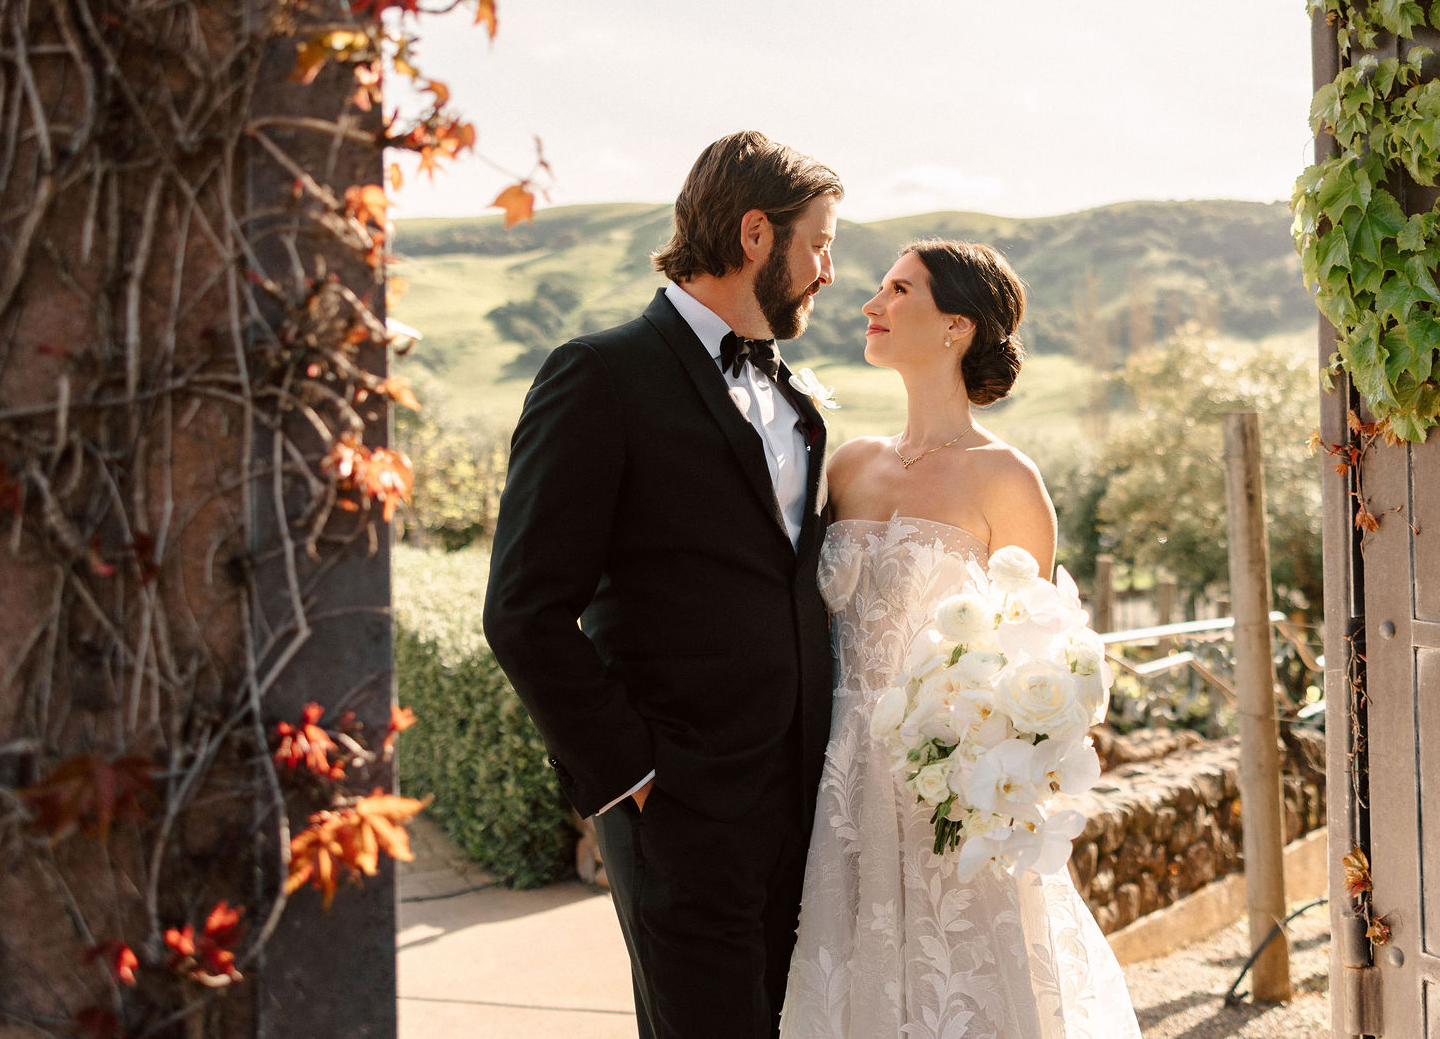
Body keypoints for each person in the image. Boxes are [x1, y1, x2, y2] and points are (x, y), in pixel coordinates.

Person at [484, 130, 841, 1039]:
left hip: (803, 808)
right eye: (820, 242)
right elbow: (523, 609)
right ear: (756, 235)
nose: (829, 272)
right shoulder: (599, 375)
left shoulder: (795, 401)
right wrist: (635, 780)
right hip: (680, 811)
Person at [779, 239, 1140, 1039]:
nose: (870, 305)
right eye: (878, 288)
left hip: (948, 787)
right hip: (834, 776)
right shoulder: (847, 466)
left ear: (956, 327)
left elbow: (1038, 648)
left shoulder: (1006, 479)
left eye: (897, 289)